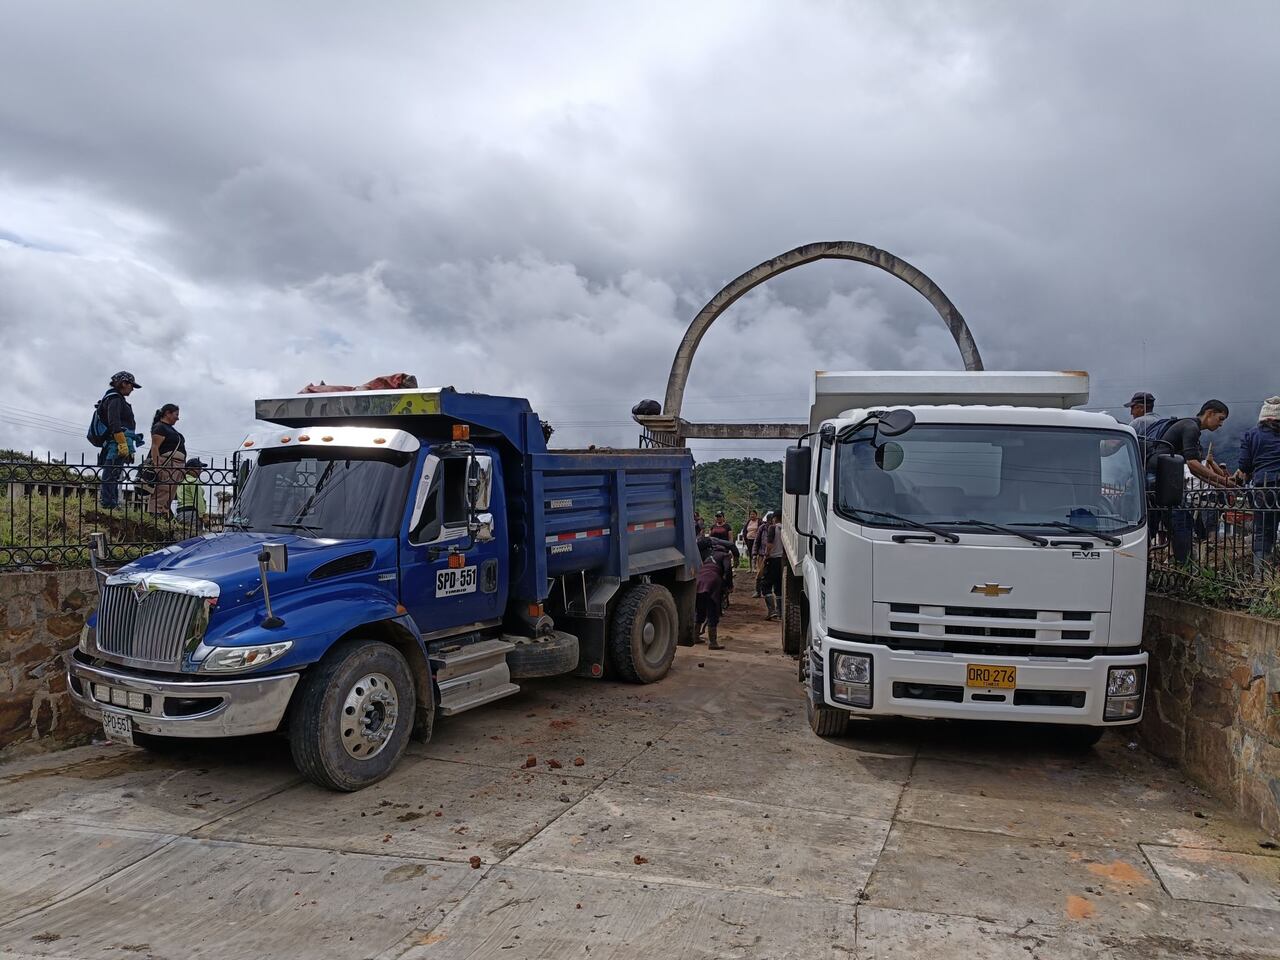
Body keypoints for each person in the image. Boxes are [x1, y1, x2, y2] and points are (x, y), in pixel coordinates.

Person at [1159, 400, 1234, 563]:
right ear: (1210, 413)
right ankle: (1183, 564)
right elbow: (1193, 464)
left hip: (1167, 480)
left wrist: (1221, 485)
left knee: (1183, 525)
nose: (1221, 424)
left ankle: (1181, 562)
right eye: (1220, 418)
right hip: (1163, 481)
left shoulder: (1191, 428)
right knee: (1181, 525)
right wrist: (1224, 480)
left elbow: (1195, 469)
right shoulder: (1191, 427)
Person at [1233, 397, 1280, 577]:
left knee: (1263, 532)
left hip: (1264, 487)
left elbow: (1244, 465)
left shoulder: (1252, 434)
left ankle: (1261, 578)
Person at [96, 371, 142, 509]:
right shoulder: (114, 399)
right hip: (116, 441)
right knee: (111, 471)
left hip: (120, 440)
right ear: (123, 383)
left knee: (115, 472)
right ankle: (108, 503)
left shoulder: (117, 399)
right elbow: (114, 423)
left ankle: (112, 501)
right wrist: (122, 443)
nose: (132, 389)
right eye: (131, 385)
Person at [146, 404, 186, 515]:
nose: (177, 418)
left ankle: (163, 514)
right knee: (162, 492)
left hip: (177, 466)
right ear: (167, 413)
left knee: (170, 495)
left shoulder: (169, 429)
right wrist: (158, 467)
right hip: (168, 464)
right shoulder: (160, 427)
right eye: (176, 414)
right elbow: (155, 447)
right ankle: (154, 515)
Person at [695, 539, 726, 649]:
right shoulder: (724, 555)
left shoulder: (704, 556)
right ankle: (713, 643)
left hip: (698, 581)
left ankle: (695, 636)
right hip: (712, 583)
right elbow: (727, 572)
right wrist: (728, 586)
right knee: (713, 611)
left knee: (699, 610)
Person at [760, 511, 785, 620]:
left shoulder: (772, 528)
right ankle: (780, 612)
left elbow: (769, 544)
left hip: (772, 559)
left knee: (765, 585)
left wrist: (766, 556)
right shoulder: (785, 529)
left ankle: (772, 610)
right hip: (782, 561)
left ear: (775, 518)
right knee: (778, 587)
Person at [176, 458, 208, 530]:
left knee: (183, 537)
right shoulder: (193, 481)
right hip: (191, 514)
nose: (200, 471)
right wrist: (203, 515)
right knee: (195, 538)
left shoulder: (181, 482)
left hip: (181, 513)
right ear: (190, 469)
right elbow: (198, 499)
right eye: (198, 468)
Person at [741, 510, 760, 578]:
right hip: (749, 540)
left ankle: (756, 567)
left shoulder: (759, 522)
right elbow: (745, 530)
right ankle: (750, 568)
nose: (752, 516)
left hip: (756, 540)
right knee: (750, 553)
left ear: (756, 515)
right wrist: (744, 538)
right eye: (751, 514)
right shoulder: (748, 522)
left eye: (753, 514)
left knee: (756, 553)